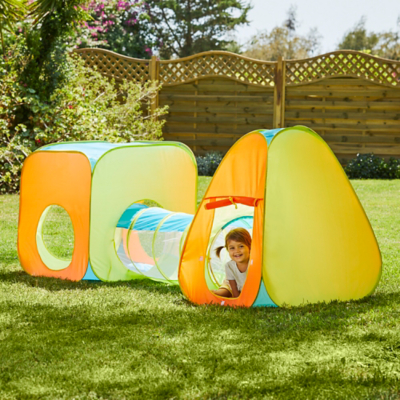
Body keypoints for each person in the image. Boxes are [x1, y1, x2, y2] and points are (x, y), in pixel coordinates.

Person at [212, 228, 251, 298]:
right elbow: (233, 287)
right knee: (222, 293)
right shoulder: (229, 266)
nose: (237, 251)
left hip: (244, 286)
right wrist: (237, 300)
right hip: (230, 284)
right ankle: (210, 292)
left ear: (250, 247)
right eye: (232, 248)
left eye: (241, 246)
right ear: (228, 250)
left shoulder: (253, 263)